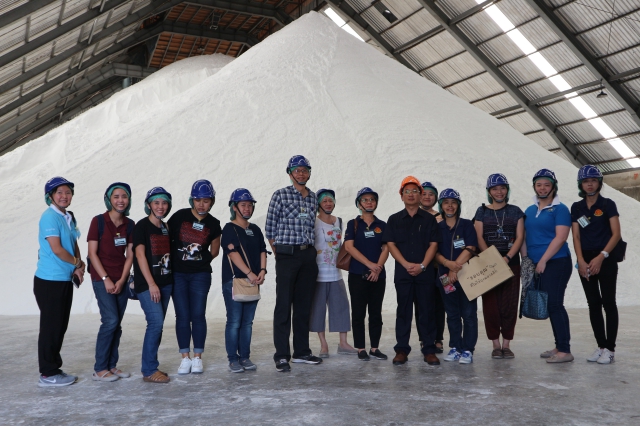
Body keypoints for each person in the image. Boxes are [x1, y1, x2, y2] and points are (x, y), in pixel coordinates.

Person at [266, 155, 322, 372]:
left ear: (309, 173)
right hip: (287, 256)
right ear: (290, 173)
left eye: (304, 170)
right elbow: (270, 228)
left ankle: (301, 352)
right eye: (297, 170)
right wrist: (280, 254)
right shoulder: (280, 195)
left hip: (308, 256)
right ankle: (281, 355)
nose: (301, 173)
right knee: (283, 306)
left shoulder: (313, 198)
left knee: (303, 306)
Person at [382, 176, 442, 366]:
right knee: (403, 311)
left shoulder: (430, 219)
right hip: (403, 273)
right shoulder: (394, 219)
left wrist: (422, 265)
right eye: (406, 191)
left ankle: (429, 350)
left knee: (427, 311)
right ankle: (401, 350)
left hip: (425, 273)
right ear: (401, 196)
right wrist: (405, 264)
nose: (410, 194)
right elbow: (391, 244)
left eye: (414, 191)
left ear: (420, 195)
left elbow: (434, 244)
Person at [34, 177, 85, 387]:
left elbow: (73, 242)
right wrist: (76, 262)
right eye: (59, 192)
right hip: (49, 281)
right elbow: (57, 249)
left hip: (63, 279)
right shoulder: (49, 217)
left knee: (59, 326)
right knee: (51, 328)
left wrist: (78, 266)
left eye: (68, 192)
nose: (64, 196)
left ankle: (54, 368)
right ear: (51, 196)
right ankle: (47, 374)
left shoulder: (68, 216)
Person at [168, 180, 221, 375]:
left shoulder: (213, 224)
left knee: (198, 315)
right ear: (192, 200)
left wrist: (198, 260)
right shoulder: (179, 217)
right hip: (178, 274)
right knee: (182, 315)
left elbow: (214, 251)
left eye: (206, 201)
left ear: (211, 202)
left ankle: (197, 357)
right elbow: (166, 239)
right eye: (198, 200)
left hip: (200, 275)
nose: (201, 204)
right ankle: (185, 357)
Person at [571, 165, 621, 364]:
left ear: (599, 183)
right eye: (585, 181)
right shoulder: (577, 207)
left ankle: (610, 349)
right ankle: (601, 346)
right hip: (585, 260)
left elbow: (616, 234)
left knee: (609, 302)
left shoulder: (608, 204)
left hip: (605, 259)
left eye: (593, 180)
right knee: (593, 304)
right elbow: (575, 236)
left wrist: (601, 256)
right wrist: (581, 260)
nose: (589, 184)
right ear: (581, 185)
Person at [523, 169, 573, 363]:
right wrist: (526, 259)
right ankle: (559, 346)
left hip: (557, 261)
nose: (542, 188)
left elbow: (561, 237)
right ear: (534, 187)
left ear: (553, 187)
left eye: (546, 185)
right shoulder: (529, 210)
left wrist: (543, 260)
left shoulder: (560, 209)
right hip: (537, 264)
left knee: (554, 304)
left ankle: (565, 350)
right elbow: (524, 237)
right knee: (551, 305)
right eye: (539, 185)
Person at [87, 182, 135, 382]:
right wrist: (106, 279)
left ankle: (111, 365)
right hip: (101, 278)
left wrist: (123, 279)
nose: (120, 200)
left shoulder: (130, 225)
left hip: (120, 277)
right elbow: (92, 253)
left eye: (124, 196)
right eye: (116, 196)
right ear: (109, 199)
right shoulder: (98, 221)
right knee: (110, 321)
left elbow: (130, 255)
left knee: (117, 324)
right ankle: (99, 368)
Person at [473, 174, 524, 359]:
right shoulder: (482, 212)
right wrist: (493, 258)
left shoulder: (516, 211)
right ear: (489, 192)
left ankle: (507, 344)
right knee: (491, 306)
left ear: (507, 190)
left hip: (511, 263)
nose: (499, 192)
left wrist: (508, 257)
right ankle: (495, 344)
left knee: (510, 305)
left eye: (502, 188)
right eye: (495, 189)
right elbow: (478, 237)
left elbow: (520, 237)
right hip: (489, 264)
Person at [222, 189, 267, 372]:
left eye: (250, 205)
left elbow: (263, 250)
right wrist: (249, 273)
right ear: (234, 207)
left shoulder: (255, 229)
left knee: (247, 323)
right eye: (243, 205)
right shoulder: (229, 229)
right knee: (234, 321)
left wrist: (262, 271)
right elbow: (232, 253)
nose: (247, 208)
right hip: (235, 282)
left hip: (253, 281)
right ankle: (233, 359)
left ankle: (245, 357)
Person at [309, 189, 357, 357]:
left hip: (336, 273)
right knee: (318, 309)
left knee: (341, 307)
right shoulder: (313, 222)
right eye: (325, 201)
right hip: (318, 274)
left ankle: (343, 343)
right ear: (318, 204)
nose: (328, 203)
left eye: (331, 200)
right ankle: (323, 344)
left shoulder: (339, 221)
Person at [344, 187, 390, 361]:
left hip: (378, 275)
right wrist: (370, 264)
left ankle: (374, 348)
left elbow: (386, 248)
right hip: (357, 274)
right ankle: (361, 348)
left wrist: (377, 268)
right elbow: (349, 247)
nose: (369, 202)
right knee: (358, 312)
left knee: (376, 313)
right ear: (359, 204)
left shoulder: (382, 225)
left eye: (372, 199)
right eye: (365, 200)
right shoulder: (353, 224)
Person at [134, 187, 174, 383]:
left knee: (157, 326)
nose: (160, 206)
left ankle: (152, 365)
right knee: (155, 323)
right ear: (149, 205)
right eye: (156, 202)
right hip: (149, 285)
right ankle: (149, 369)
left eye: (164, 203)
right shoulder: (141, 226)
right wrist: (151, 283)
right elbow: (140, 255)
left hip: (165, 284)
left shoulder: (165, 227)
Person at [434, 189, 478, 364]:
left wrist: (455, 269)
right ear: (441, 206)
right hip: (445, 278)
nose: (450, 206)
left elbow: (471, 247)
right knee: (452, 314)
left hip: (466, 276)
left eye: (453, 202)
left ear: (458, 205)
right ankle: (455, 347)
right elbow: (434, 252)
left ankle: (467, 349)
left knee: (468, 314)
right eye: (446, 202)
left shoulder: (466, 225)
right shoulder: (437, 227)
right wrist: (448, 264)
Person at [418, 181, 445, 353]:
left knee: (438, 304)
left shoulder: (442, 216)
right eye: (424, 193)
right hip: (420, 266)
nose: (427, 197)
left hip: (438, 266)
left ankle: (438, 338)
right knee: (421, 305)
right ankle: (424, 338)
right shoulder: (414, 215)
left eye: (431, 194)